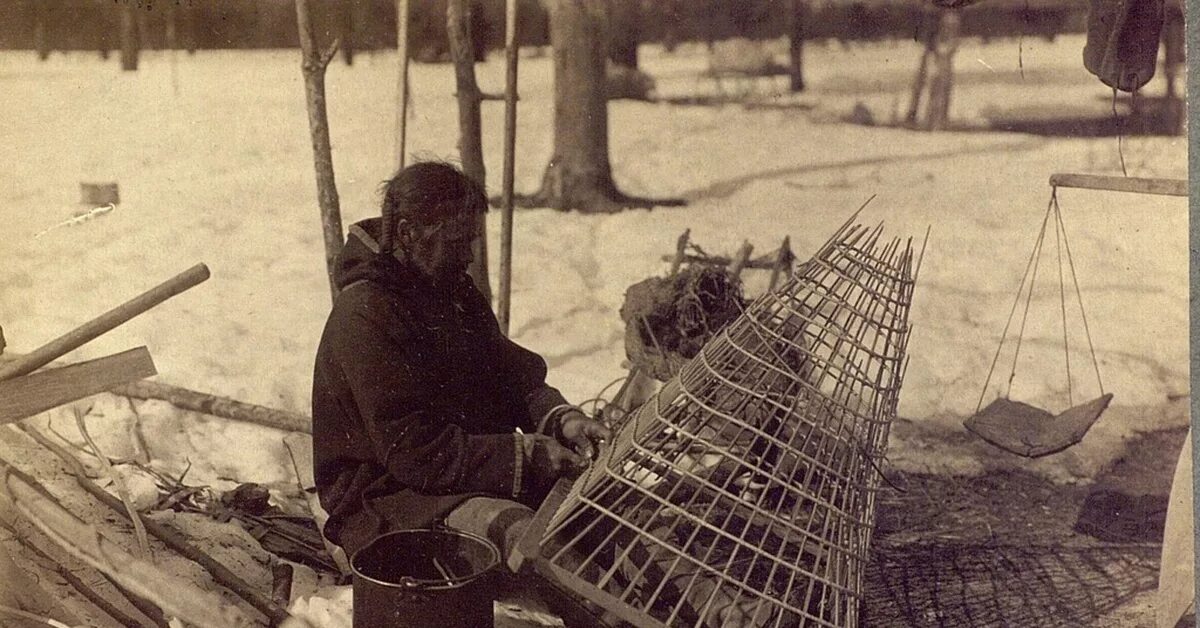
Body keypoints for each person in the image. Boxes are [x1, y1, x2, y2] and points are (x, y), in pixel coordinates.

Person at [311, 161, 610, 568]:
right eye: (456, 243)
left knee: (602, 508)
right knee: (529, 539)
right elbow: (414, 451)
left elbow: (509, 374)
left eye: (471, 241)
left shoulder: (451, 291)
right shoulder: (365, 313)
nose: (468, 257)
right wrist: (527, 455)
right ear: (406, 235)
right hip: (391, 498)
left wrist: (560, 419)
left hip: (462, 471)